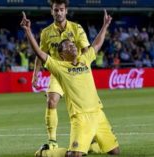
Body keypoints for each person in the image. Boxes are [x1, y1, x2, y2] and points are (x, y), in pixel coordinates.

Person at [21, 10, 119, 157]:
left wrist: (105, 25)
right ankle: (47, 153)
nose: (72, 47)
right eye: (68, 47)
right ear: (62, 55)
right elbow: (40, 53)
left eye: (72, 45)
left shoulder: (84, 60)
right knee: (73, 155)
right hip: (80, 116)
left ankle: (89, 146)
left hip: (98, 113)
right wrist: (28, 31)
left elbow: (97, 44)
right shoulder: (60, 68)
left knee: (115, 152)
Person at [31, 0, 93, 149]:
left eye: (61, 10)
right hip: (57, 73)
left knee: (84, 108)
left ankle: (92, 137)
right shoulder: (46, 32)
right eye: (56, 10)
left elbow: (86, 50)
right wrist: (35, 75)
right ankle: (52, 140)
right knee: (51, 101)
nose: (58, 12)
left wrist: (83, 67)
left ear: (66, 11)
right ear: (52, 11)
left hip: (75, 73)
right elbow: (41, 54)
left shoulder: (76, 28)